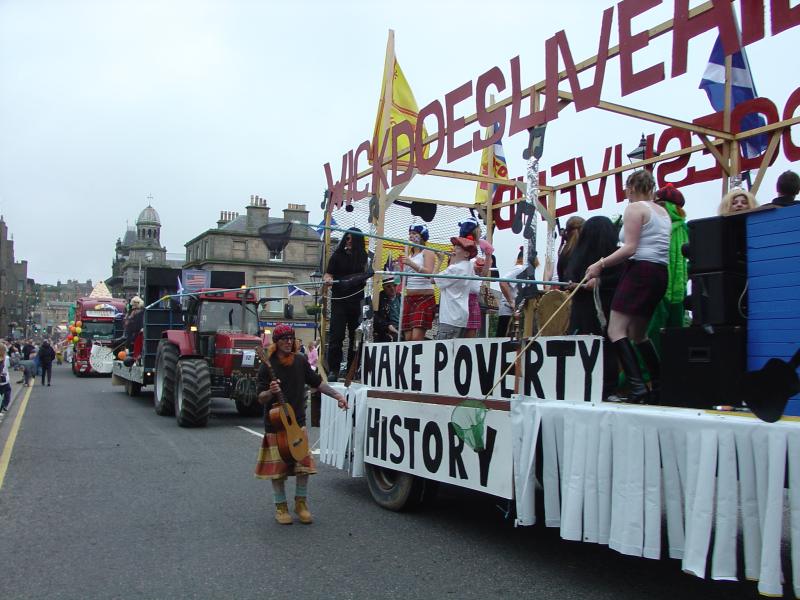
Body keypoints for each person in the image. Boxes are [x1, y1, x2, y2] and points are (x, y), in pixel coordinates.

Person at [585, 170, 670, 404]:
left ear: (631, 188)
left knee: (616, 330)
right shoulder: (662, 212)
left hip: (640, 271)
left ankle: (637, 387)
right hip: (660, 273)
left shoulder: (635, 208)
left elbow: (630, 248)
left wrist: (599, 264)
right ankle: (659, 383)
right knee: (638, 334)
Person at [255, 324, 347, 525]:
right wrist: (270, 392)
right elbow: (260, 398)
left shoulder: (300, 361)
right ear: (276, 342)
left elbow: (317, 383)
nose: (289, 342)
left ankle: (301, 503)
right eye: (284, 339)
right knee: (278, 471)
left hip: (298, 423)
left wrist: (338, 395)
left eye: (291, 338)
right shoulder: (267, 364)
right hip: (276, 426)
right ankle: (280, 506)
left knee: (303, 468)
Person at [565, 216, 623, 400]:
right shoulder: (615, 256)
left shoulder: (577, 255)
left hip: (588, 310)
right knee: (606, 348)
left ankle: (586, 386)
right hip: (602, 309)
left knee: (590, 348)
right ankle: (607, 388)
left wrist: (597, 282)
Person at [647, 184, 690, 357]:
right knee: (658, 332)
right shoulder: (655, 227)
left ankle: (663, 372)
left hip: (671, 289)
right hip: (663, 288)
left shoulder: (684, 229)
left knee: (669, 334)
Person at [323, 228, 369, 381]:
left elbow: (367, 274)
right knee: (336, 336)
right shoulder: (337, 255)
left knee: (356, 337)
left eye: (351, 239)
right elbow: (328, 273)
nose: (348, 241)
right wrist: (328, 279)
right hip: (340, 301)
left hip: (357, 301)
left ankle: (352, 369)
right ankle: (334, 370)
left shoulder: (364, 257)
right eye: (346, 238)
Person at [434, 237, 480, 339]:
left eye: (458, 248)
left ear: (466, 254)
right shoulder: (469, 266)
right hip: (461, 317)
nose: (454, 249)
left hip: (449, 318)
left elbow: (433, 279)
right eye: (454, 246)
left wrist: (440, 260)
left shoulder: (455, 269)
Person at [457, 217, 493, 337]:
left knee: (470, 336)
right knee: (457, 335)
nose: (480, 231)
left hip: (473, 297)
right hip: (459, 296)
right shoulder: (459, 246)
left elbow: (483, 273)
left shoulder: (480, 247)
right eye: (478, 229)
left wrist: (488, 256)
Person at [401, 224, 437, 341]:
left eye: (414, 234)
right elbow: (405, 280)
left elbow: (429, 274)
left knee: (416, 338)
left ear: (422, 236)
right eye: (410, 233)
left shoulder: (427, 252)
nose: (411, 236)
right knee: (408, 338)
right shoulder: (410, 255)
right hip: (409, 298)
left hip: (424, 298)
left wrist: (411, 264)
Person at [497, 247, 526, 337]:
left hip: (515, 310)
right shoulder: (520, 268)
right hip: (508, 310)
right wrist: (511, 302)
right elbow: (502, 281)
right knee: (502, 338)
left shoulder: (525, 271)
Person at [557, 216, 585, 282]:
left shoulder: (563, 252)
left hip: (565, 290)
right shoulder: (586, 251)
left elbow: (560, 274)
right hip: (581, 290)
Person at [373, 276, 401, 342]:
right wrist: (388, 326)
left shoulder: (401, 297)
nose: (392, 288)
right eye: (388, 286)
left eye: (394, 285)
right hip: (387, 330)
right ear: (383, 287)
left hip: (402, 328)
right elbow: (375, 316)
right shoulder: (378, 299)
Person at [0, 345, 11, 412]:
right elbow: (8, 366)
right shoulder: (6, 358)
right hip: (3, 380)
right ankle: (4, 405)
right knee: (7, 392)